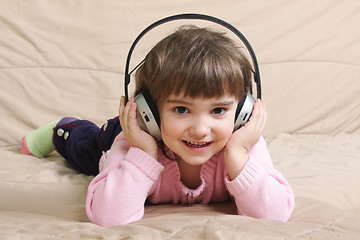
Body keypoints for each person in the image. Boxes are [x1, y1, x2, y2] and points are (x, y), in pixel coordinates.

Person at [21, 25, 295, 226]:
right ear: (148, 110)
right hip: (137, 139)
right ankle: (62, 128)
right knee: (86, 148)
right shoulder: (132, 144)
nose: (201, 129)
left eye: (219, 110)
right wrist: (143, 153)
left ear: (242, 113)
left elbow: (274, 216)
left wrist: (237, 156)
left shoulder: (243, 145)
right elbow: (109, 218)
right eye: (181, 109)